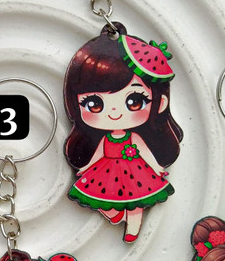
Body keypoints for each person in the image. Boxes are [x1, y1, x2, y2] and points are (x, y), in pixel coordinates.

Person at [64, 23, 182, 242]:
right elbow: (98, 153)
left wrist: (156, 167)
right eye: (95, 104)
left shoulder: (134, 137)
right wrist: (86, 167)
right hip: (105, 170)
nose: (115, 113)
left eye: (134, 101)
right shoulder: (105, 139)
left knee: (137, 203)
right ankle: (116, 215)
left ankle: (133, 229)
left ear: (160, 102)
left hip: (137, 170)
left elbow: (145, 152)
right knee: (102, 200)